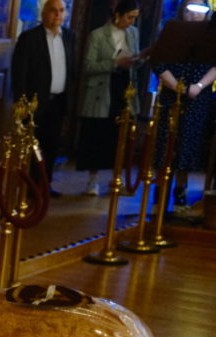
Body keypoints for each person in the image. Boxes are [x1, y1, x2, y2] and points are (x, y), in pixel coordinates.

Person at [153, 0, 216, 211]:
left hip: (198, 96)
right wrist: (178, 87)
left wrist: (198, 86)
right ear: (183, 9)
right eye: (190, 9)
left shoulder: (213, 34)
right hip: (172, 94)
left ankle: (181, 189)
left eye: (200, 10)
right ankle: (160, 190)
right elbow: (158, 62)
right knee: (166, 142)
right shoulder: (171, 29)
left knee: (189, 143)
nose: (194, 14)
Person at [77, 0, 144, 196]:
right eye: (129, 17)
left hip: (124, 89)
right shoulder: (97, 35)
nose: (131, 22)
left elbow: (134, 60)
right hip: (102, 89)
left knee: (120, 136)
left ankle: (117, 177)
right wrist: (115, 63)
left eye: (134, 18)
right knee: (97, 135)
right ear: (118, 14)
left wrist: (138, 60)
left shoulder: (133, 33)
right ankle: (93, 179)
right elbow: (88, 66)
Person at [11, 0, 76, 196]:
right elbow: (19, 73)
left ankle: (46, 185)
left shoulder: (69, 37)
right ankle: (30, 187)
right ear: (44, 13)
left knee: (52, 145)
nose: (58, 15)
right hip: (34, 103)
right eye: (53, 11)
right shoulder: (29, 38)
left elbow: (71, 69)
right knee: (33, 147)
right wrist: (21, 104)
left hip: (58, 101)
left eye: (62, 11)